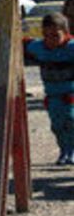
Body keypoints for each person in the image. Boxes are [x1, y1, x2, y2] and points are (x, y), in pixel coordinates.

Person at [24, 13, 74, 165]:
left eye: (55, 35)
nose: (50, 39)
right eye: (46, 35)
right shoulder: (39, 47)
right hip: (53, 97)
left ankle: (72, 151)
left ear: (65, 33)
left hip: (71, 95)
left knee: (71, 123)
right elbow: (21, 45)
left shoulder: (71, 48)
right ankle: (64, 150)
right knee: (57, 126)